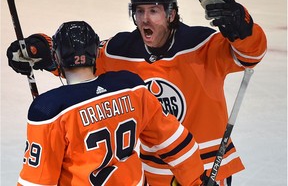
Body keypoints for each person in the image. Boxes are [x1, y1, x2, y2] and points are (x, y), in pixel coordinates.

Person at [7, 0, 267, 186]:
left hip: (204, 165)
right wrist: (39, 48)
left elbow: (251, 55)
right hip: (150, 170)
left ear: (171, 14)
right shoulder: (121, 48)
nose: (145, 19)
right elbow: (79, 59)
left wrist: (243, 27)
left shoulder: (203, 43)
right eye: (140, 11)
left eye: (153, 11)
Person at [15, 20, 211, 186]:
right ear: (96, 53)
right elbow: (175, 141)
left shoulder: (49, 109)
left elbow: (36, 180)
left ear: (56, 57)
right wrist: (196, 181)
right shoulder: (131, 87)